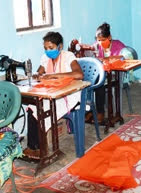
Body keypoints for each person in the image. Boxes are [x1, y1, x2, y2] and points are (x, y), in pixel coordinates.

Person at [23, 31, 83, 159]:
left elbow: (79, 75)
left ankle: (42, 148)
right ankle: (34, 147)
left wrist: (56, 75)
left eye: (51, 48)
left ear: (59, 46)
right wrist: (36, 75)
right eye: (45, 48)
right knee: (33, 107)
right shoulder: (46, 58)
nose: (48, 51)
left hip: (68, 94)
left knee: (43, 109)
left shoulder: (68, 56)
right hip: (52, 93)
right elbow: (39, 73)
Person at [85, 22, 126, 124]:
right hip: (101, 73)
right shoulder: (96, 46)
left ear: (110, 37)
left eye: (103, 40)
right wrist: (85, 49)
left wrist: (107, 59)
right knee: (85, 82)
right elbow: (89, 55)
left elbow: (124, 58)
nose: (100, 43)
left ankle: (100, 112)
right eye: (98, 40)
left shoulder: (118, 45)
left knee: (99, 84)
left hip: (115, 74)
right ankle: (90, 110)